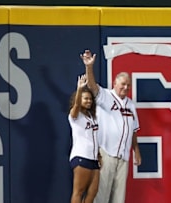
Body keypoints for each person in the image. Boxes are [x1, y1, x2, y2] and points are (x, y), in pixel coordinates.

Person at [80, 50, 142, 203]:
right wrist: (89, 67)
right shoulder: (106, 96)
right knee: (101, 197)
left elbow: (133, 130)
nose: (126, 87)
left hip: (123, 157)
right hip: (106, 154)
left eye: (128, 85)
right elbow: (93, 87)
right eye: (123, 84)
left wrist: (136, 150)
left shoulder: (131, 105)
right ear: (115, 83)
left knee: (118, 199)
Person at [68, 74, 100, 203]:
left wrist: (99, 154)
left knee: (92, 193)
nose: (89, 101)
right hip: (81, 156)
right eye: (85, 99)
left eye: (90, 99)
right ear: (79, 99)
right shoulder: (75, 116)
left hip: (94, 159)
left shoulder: (92, 117)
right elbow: (75, 107)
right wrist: (80, 89)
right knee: (79, 191)